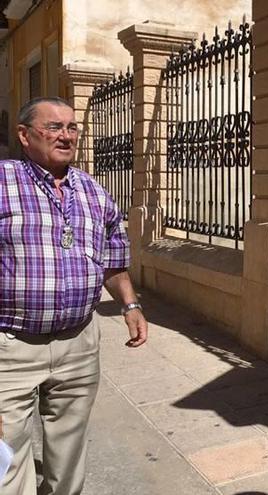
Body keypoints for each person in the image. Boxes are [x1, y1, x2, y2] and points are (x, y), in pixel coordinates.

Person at [0, 97, 148, 495]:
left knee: (68, 451)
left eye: (71, 128)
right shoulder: (3, 181)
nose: (65, 135)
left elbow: (113, 257)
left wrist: (130, 305)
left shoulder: (94, 192)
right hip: (10, 346)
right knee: (5, 455)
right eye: (53, 127)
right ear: (24, 135)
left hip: (79, 344)